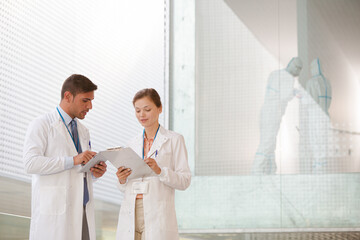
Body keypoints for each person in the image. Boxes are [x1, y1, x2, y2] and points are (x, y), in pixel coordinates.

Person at [23, 74, 107, 240]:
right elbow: (30, 163)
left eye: (91, 101)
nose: (90, 106)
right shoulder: (42, 124)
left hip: (81, 211)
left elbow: (78, 172)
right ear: (68, 96)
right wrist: (74, 159)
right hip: (55, 215)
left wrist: (94, 173)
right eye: (85, 100)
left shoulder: (83, 131)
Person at [115, 88, 191, 240]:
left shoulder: (174, 139)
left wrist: (160, 171)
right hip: (131, 209)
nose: (142, 115)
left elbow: (184, 181)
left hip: (157, 211)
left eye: (147, 109)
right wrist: (121, 179)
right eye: (137, 111)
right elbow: (124, 187)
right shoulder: (131, 143)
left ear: (159, 108)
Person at [252, 57, 303, 174]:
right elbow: (284, 96)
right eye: (298, 69)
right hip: (273, 112)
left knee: (269, 142)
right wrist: (295, 93)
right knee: (267, 142)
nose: (298, 72)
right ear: (293, 66)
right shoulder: (288, 78)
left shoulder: (275, 73)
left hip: (265, 110)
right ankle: (256, 171)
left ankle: (269, 171)